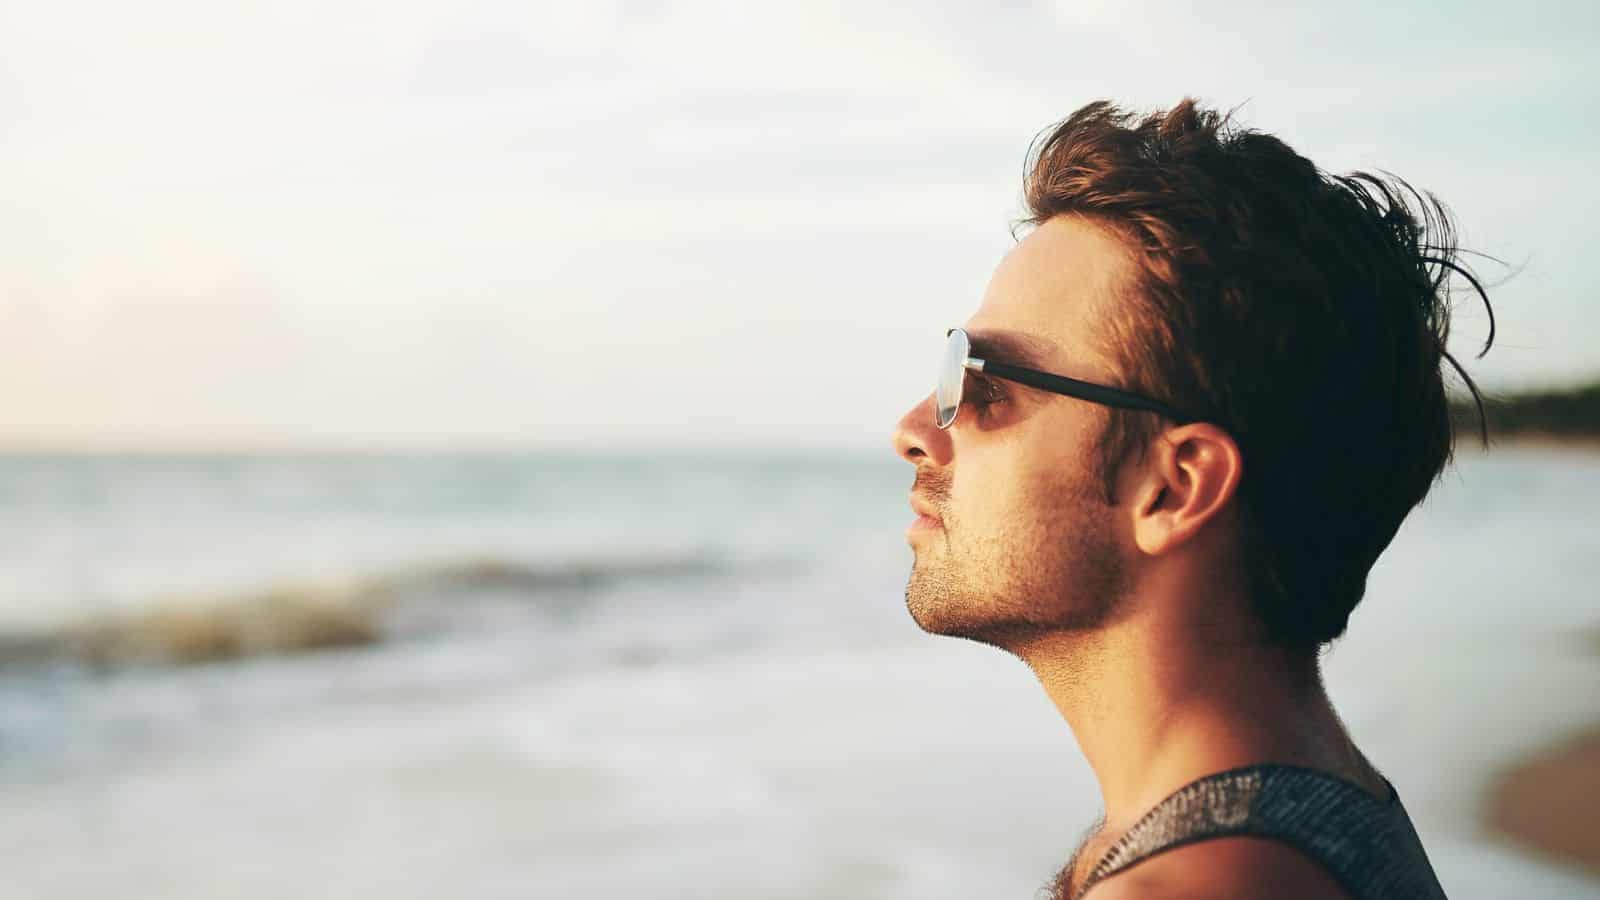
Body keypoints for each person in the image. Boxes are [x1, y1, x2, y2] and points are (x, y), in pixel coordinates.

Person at [891, 99, 1493, 900]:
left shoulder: (1202, 883)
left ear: (1175, 488)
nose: (914, 429)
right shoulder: (1307, 806)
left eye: (987, 383)